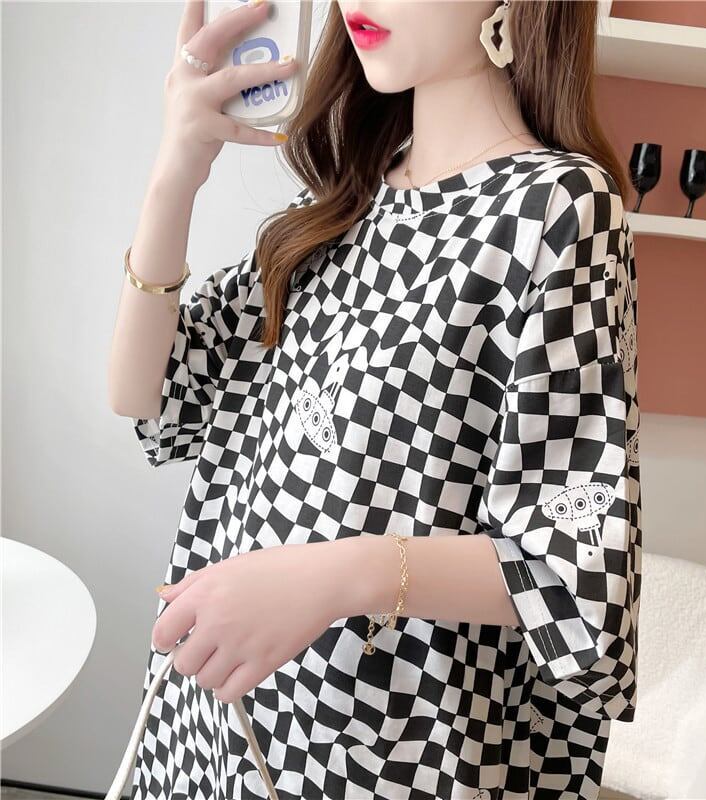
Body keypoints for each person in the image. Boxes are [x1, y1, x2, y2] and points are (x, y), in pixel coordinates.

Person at [108, 0, 642, 798]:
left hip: (385, 749)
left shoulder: (559, 209)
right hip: (219, 718)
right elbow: (147, 393)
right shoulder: (341, 204)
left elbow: (575, 568)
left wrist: (333, 576)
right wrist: (175, 166)